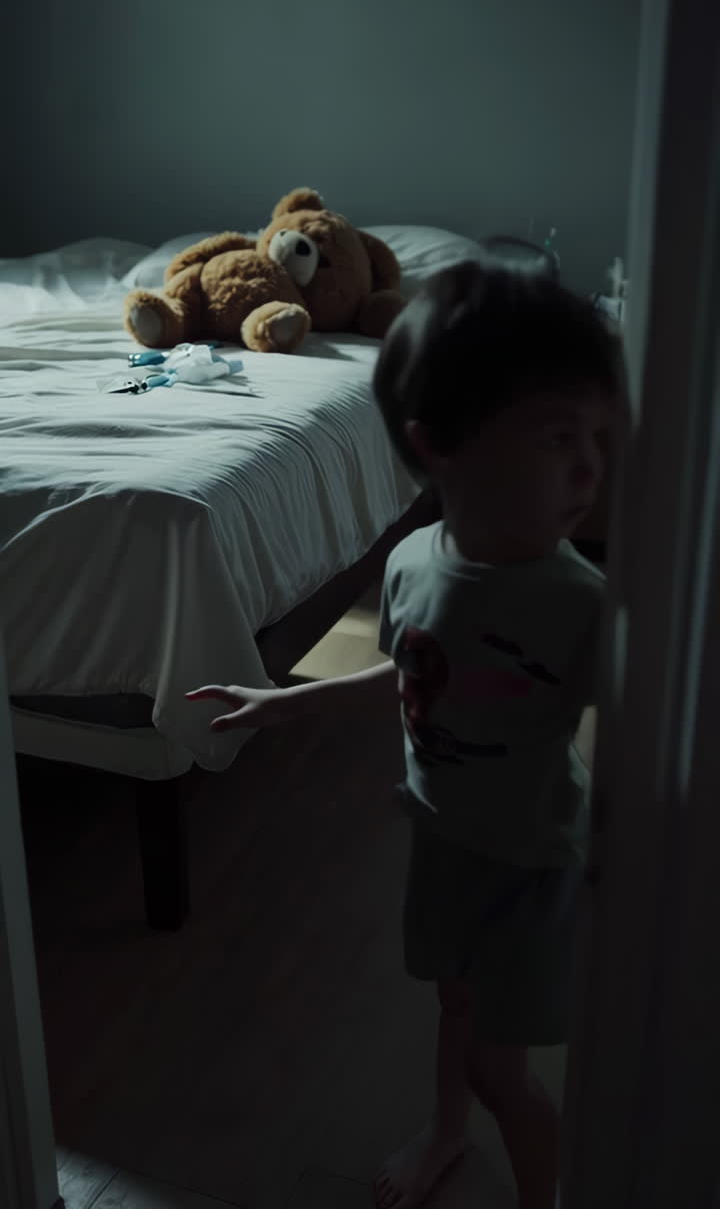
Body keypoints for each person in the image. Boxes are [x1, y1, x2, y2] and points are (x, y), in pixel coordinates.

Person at [186, 257, 623, 1209]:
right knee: (453, 1006)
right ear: (441, 449)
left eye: (598, 434)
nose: (592, 466)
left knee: (505, 1073)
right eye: (558, 438)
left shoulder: (585, 606)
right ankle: (444, 1132)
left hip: (530, 864)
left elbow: (639, 729)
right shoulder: (415, 562)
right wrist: (278, 702)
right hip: (442, 837)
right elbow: (413, 676)